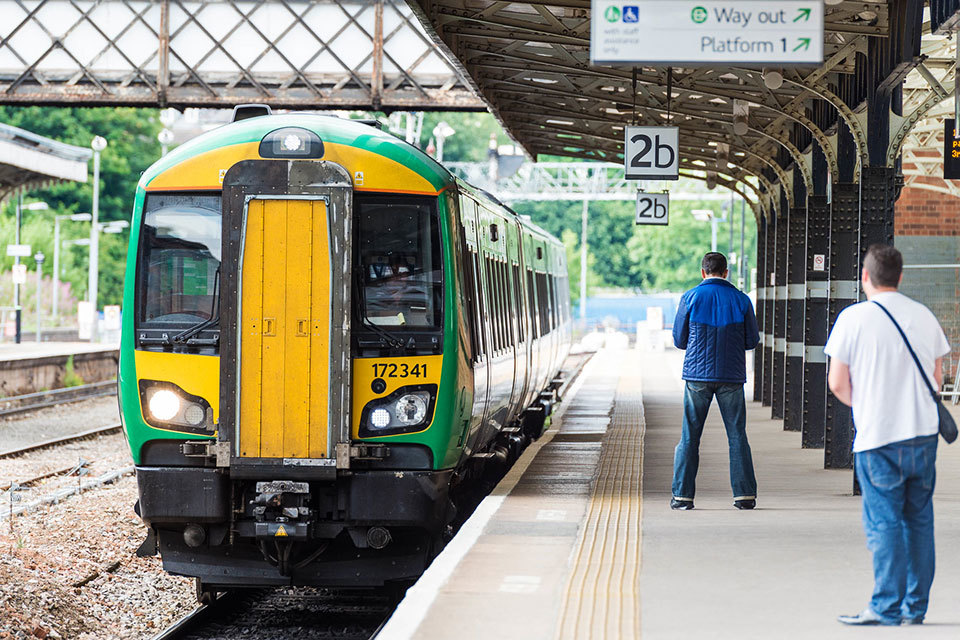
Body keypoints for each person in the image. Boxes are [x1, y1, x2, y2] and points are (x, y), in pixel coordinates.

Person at [826, 244, 949, 626]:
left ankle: (885, 606)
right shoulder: (924, 316)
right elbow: (938, 377)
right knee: (919, 521)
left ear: (866, 277)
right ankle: (916, 607)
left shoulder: (853, 318)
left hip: (878, 440)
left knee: (884, 524)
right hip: (923, 436)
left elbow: (837, 383)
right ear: (900, 277)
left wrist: (868, 409)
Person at [671, 252, 760, 510]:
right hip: (731, 376)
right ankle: (744, 496)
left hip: (697, 377)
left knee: (690, 436)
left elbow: (679, 340)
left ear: (703, 272)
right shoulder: (742, 300)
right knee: (737, 436)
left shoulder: (690, 297)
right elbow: (751, 341)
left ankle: (682, 497)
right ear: (726, 272)